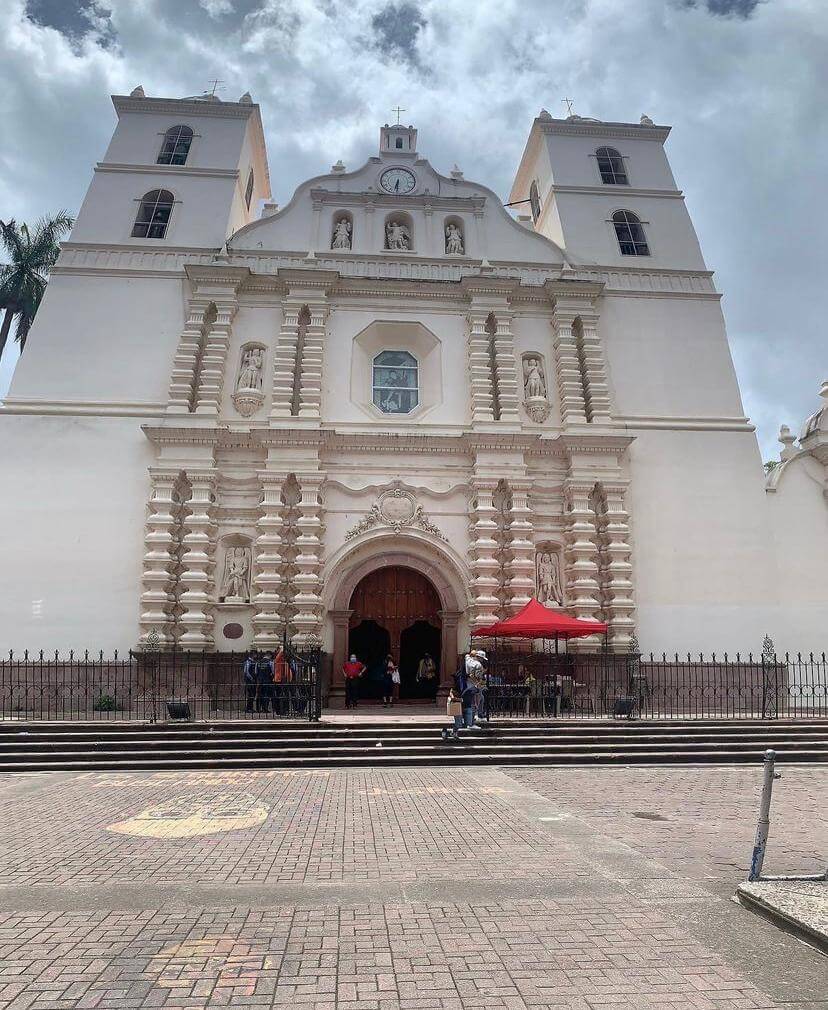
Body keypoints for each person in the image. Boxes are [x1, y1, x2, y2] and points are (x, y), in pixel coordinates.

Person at [243, 649, 258, 714]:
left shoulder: (253, 662)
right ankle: (248, 708)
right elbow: (246, 671)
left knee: (253, 694)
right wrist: (251, 678)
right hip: (250, 681)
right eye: (255, 654)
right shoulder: (248, 662)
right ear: (253, 655)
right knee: (250, 694)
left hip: (253, 680)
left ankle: (250, 708)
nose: (256, 656)